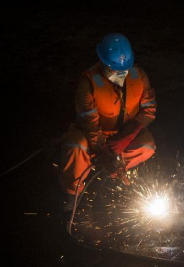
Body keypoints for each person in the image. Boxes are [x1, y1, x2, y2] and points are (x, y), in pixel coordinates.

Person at [59, 33, 157, 212]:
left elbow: (149, 111)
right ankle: (73, 193)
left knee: (147, 147)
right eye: (114, 70)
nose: (120, 74)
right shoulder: (88, 82)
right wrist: (103, 150)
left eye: (124, 69)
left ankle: (112, 170)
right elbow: (89, 123)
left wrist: (127, 136)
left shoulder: (139, 76)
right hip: (94, 133)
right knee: (76, 146)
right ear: (102, 62)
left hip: (125, 131)